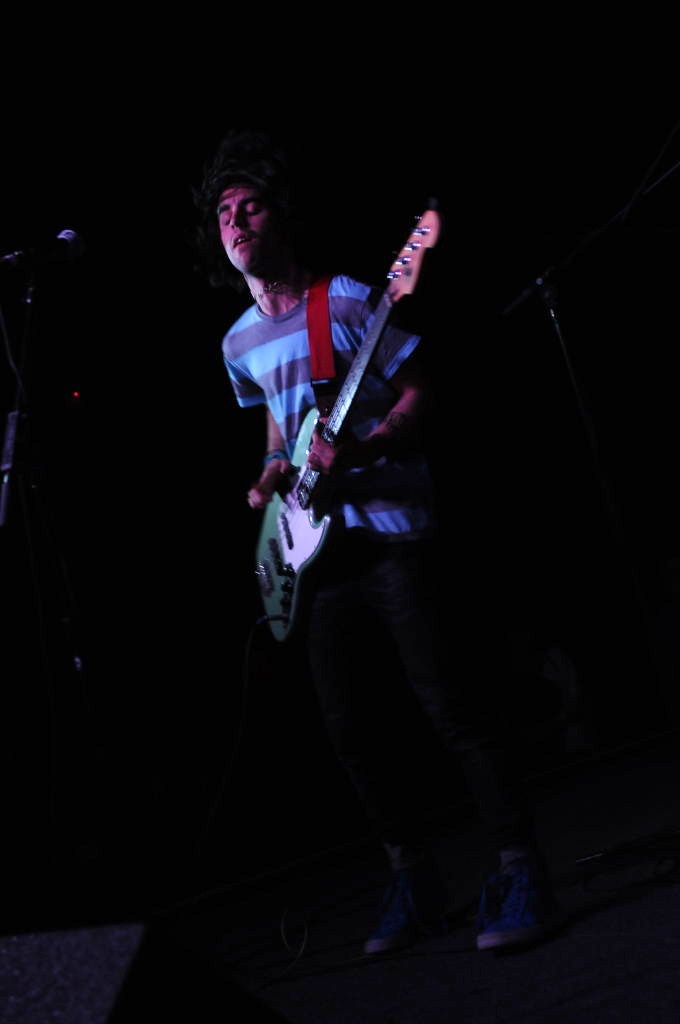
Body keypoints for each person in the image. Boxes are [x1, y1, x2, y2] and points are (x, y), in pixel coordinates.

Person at [191, 128, 560, 954]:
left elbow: (421, 392)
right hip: (314, 558)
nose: (237, 222)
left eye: (252, 207)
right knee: (352, 735)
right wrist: (270, 476)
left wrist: (367, 449)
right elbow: (279, 426)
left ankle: (520, 868)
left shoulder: (353, 300)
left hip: (391, 534)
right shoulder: (237, 343)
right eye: (225, 214)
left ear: (282, 218)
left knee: (452, 709)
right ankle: (411, 881)